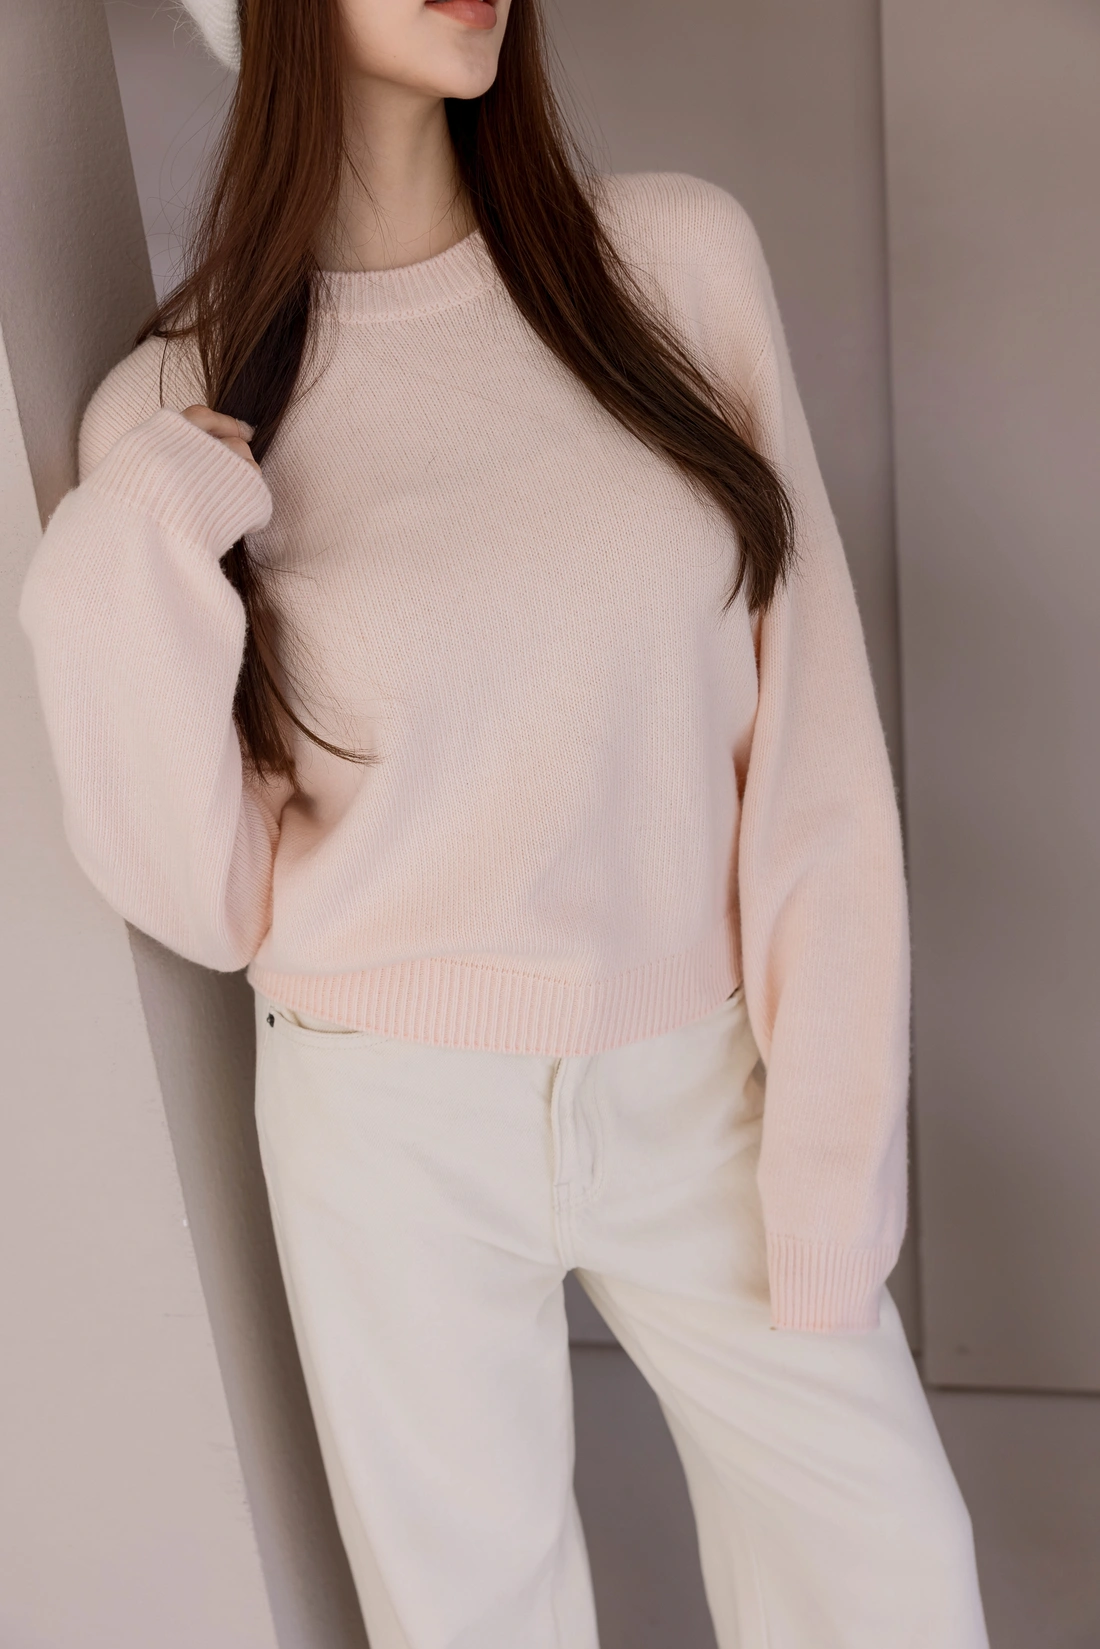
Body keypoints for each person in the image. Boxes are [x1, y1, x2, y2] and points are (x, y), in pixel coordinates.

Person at [18, 0, 991, 1643]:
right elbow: (200, 891)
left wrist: (834, 1154)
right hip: (386, 1124)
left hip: (700, 1082)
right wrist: (142, 533)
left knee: (888, 1575)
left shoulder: (673, 262)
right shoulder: (170, 410)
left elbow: (815, 754)